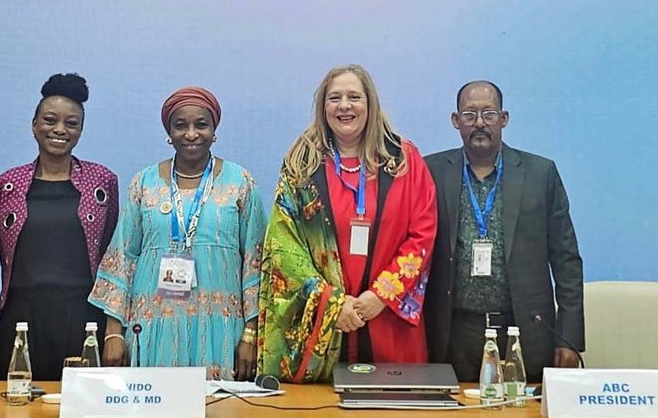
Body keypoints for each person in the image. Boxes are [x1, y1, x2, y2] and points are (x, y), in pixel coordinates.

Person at [258, 64, 437, 383]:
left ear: (370, 103)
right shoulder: (301, 166)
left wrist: (381, 296)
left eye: (354, 97)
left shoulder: (403, 160)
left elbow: (422, 234)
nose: (344, 106)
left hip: (388, 321)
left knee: (393, 409)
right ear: (322, 107)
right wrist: (332, 305)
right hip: (323, 330)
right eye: (334, 98)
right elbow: (284, 246)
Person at [89, 87, 266, 380]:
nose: (191, 134)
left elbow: (256, 262)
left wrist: (250, 333)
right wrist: (113, 333)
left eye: (201, 125)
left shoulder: (240, 182)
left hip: (219, 327)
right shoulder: (144, 183)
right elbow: (121, 258)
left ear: (214, 130)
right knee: (156, 404)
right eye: (181, 125)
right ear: (169, 132)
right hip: (154, 324)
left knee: (218, 407)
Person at [424, 80, 584, 382]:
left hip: (525, 329)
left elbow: (567, 261)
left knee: (524, 411)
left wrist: (569, 337)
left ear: (504, 118)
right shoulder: (430, 172)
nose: (479, 123)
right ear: (456, 121)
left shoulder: (540, 174)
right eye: (469, 114)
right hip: (453, 332)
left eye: (489, 113)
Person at [0, 73, 119, 381]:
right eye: (50, 120)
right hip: (21, 315)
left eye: (71, 123)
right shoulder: (8, 184)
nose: (60, 129)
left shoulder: (102, 181)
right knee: (14, 402)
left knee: (83, 404)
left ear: (81, 130)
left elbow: (111, 252)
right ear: (34, 125)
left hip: (84, 315)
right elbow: (5, 252)